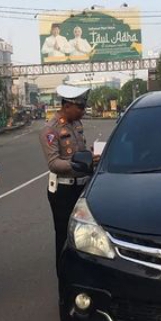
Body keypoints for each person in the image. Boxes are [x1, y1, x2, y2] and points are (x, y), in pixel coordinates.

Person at [39, 85, 99, 265]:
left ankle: (82, 268)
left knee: (85, 231)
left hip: (82, 186)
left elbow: (80, 152)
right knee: (65, 235)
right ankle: (64, 274)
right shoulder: (50, 129)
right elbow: (53, 163)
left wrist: (91, 155)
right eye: (80, 107)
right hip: (63, 190)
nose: (83, 111)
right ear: (67, 106)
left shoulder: (77, 125)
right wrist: (78, 164)